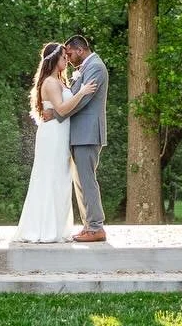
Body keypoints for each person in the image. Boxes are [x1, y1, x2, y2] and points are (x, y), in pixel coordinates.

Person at [12, 42, 97, 243]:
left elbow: (60, 110)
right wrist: (82, 93)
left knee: (61, 178)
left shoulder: (58, 81)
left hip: (60, 134)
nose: (66, 60)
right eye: (63, 58)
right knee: (50, 177)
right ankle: (44, 229)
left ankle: (58, 227)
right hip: (52, 136)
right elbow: (61, 109)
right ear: (53, 60)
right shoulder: (50, 83)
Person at [59, 34, 109, 243]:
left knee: (87, 181)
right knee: (80, 182)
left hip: (88, 133)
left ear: (80, 50)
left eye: (69, 53)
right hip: (80, 133)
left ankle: (96, 227)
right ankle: (89, 225)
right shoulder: (83, 69)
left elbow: (83, 100)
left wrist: (59, 113)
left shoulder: (95, 67)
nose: (68, 58)